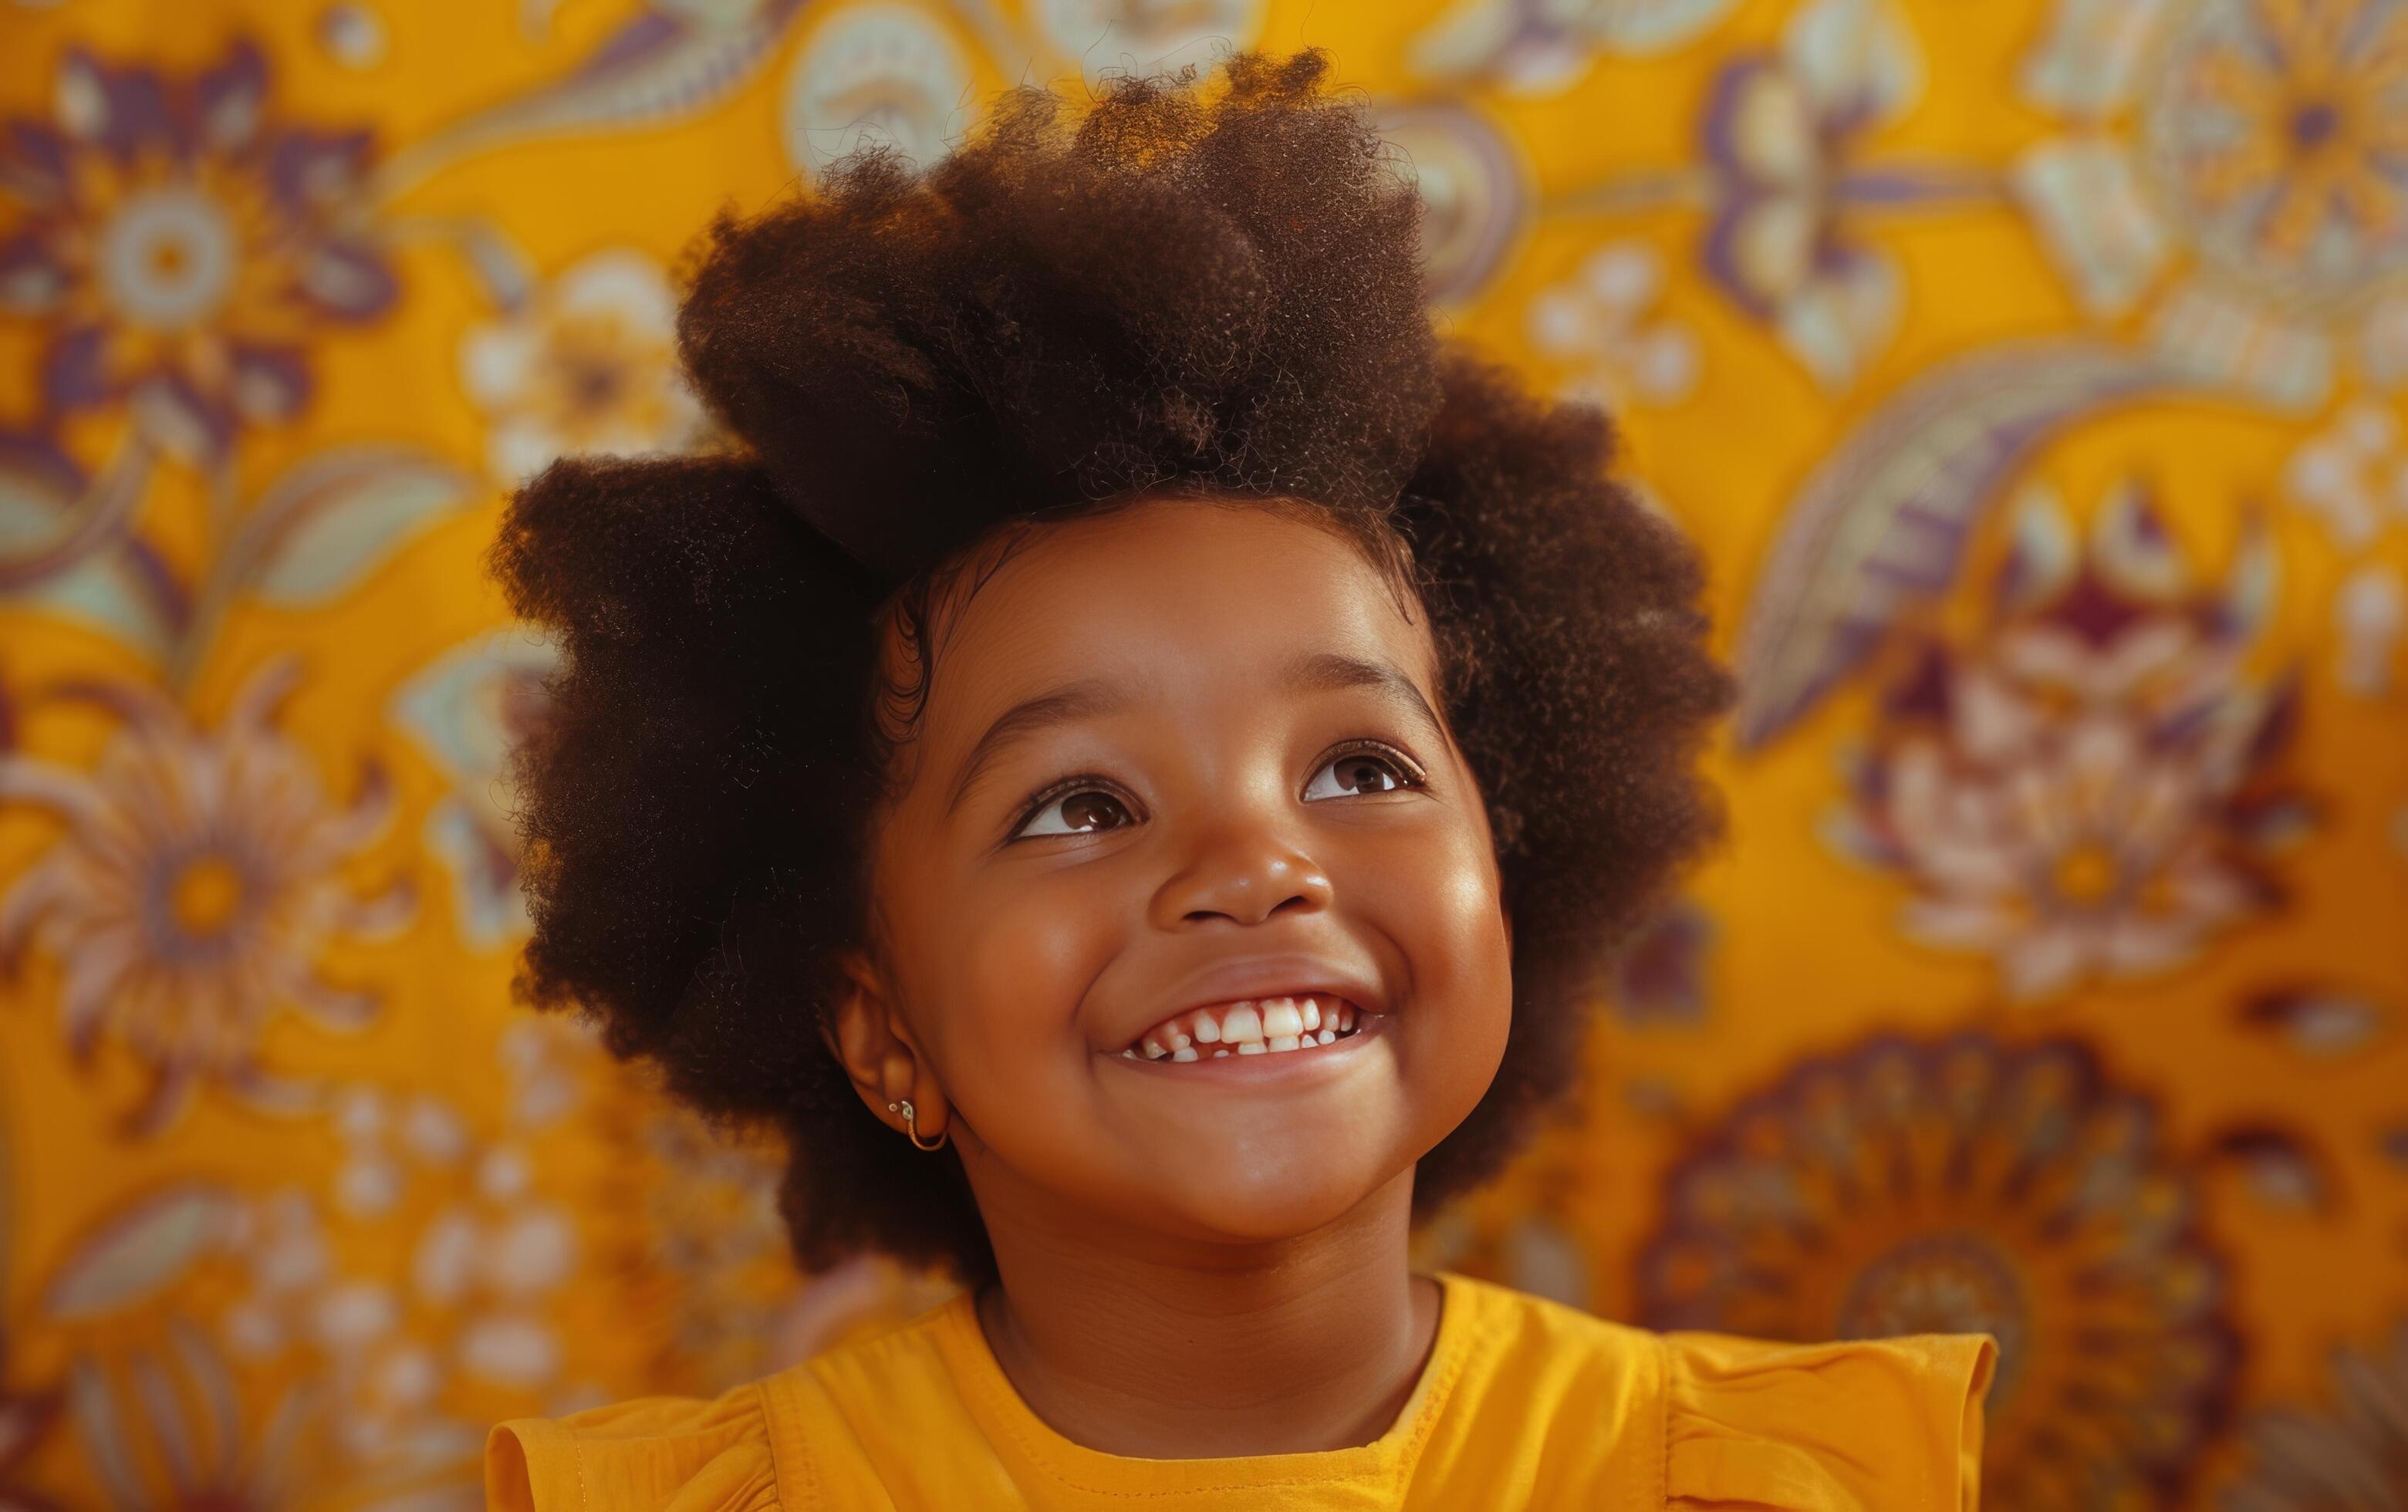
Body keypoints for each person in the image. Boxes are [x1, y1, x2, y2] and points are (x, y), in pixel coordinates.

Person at [480, 46, 1994, 1510]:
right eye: (1080, 804)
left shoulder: (1769, 1480)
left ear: (1509, 859)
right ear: (880, 1021)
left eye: (1356, 763)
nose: (1255, 859)